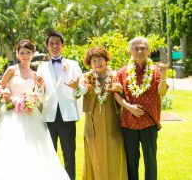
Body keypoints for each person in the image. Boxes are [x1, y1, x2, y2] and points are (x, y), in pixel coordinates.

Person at [0, 39, 70, 180]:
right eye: (22, 53)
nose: (25, 56)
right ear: (17, 54)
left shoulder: (35, 73)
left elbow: (40, 93)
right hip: (10, 113)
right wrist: (7, 91)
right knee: (10, 146)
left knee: (33, 147)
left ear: (33, 54)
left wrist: (38, 88)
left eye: (28, 52)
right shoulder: (11, 69)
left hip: (29, 113)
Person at [69, 47, 128, 180]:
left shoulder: (115, 76)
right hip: (93, 124)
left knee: (114, 155)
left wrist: (122, 90)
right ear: (90, 63)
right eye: (93, 60)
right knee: (95, 155)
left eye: (100, 59)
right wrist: (76, 88)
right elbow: (79, 93)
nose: (97, 63)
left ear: (106, 60)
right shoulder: (87, 77)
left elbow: (126, 95)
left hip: (113, 124)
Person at [114, 37, 168, 180]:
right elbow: (116, 94)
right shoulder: (122, 72)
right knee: (131, 162)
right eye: (136, 48)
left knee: (150, 161)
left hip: (149, 122)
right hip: (128, 123)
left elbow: (162, 92)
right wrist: (129, 107)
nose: (139, 51)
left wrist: (163, 77)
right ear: (130, 51)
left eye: (143, 48)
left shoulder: (155, 71)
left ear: (148, 51)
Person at [37, 31, 82, 180]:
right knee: (50, 153)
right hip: (49, 116)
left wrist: (76, 87)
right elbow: (40, 94)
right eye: (51, 43)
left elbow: (82, 90)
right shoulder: (42, 68)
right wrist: (39, 87)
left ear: (63, 45)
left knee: (69, 154)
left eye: (57, 43)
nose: (55, 46)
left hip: (67, 115)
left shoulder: (73, 65)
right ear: (47, 46)